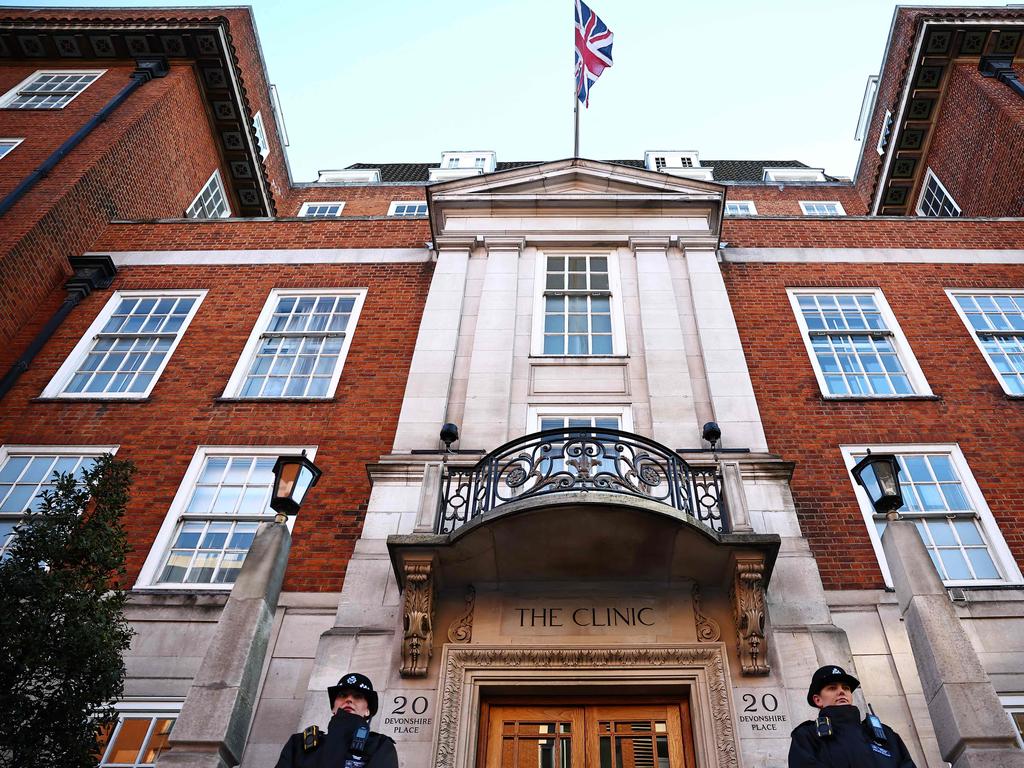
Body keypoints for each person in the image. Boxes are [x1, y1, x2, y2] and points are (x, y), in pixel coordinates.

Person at [789, 665, 917, 767]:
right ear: (818, 700)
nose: (841, 692)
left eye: (846, 688)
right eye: (832, 688)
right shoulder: (807, 736)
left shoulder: (886, 734)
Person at [275, 672, 399, 768]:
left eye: (358, 696)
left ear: (368, 711)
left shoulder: (379, 745)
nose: (349, 699)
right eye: (342, 695)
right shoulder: (299, 743)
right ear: (333, 707)